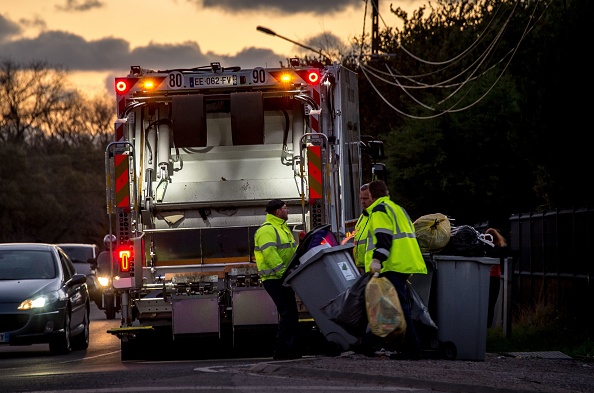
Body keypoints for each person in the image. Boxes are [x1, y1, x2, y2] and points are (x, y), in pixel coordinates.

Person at [363, 180, 427, 360]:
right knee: (391, 306)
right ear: (387, 192)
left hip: (392, 264)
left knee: (397, 308)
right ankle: (371, 343)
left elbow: (384, 239)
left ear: (372, 195)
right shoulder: (398, 208)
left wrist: (377, 260)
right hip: (405, 263)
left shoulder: (379, 210)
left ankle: (411, 350)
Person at [254, 199, 300, 360]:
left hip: (283, 277)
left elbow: (291, 251)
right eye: (285, 208)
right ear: (277, 211)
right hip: (274, 278)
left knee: (291, 314)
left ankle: (290, 350)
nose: (287, 211)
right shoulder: (267, 230)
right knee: (287, 313)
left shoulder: (282, 228)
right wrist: (283, 273)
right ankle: (281, 352)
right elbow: (269, 254)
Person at [485, 227, 509, 328]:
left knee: (485, 302)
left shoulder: (484, 248)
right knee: (492, 303)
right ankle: (489, 324)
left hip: (485, 278)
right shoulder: (499, 249)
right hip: (495, 277)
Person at [353, 183, 372, 274]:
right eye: (361, 199)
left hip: (374, 267)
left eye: (365, 198)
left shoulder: (378, 216)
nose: (362, 202)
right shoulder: (362, 218)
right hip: (363, 267)